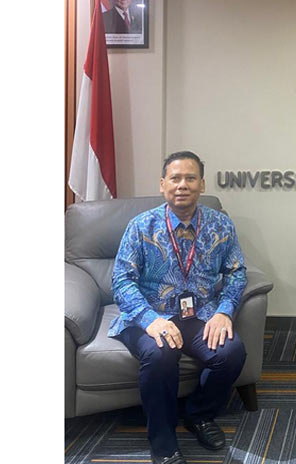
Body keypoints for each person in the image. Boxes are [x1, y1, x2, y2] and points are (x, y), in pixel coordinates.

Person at [109, 151, 248, 464]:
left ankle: (199, 415)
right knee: (161, 355)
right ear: (163, 184)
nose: (182, 185)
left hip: (199, 314)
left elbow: (237, 272)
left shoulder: (221, 224)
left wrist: (224, 311)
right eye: (175, 178)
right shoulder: (141, 226)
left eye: (190, 178)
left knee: (231, 352)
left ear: (202, 184)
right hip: (148, 315)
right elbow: (121, 281)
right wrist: (150, 320)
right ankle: (163, 441)